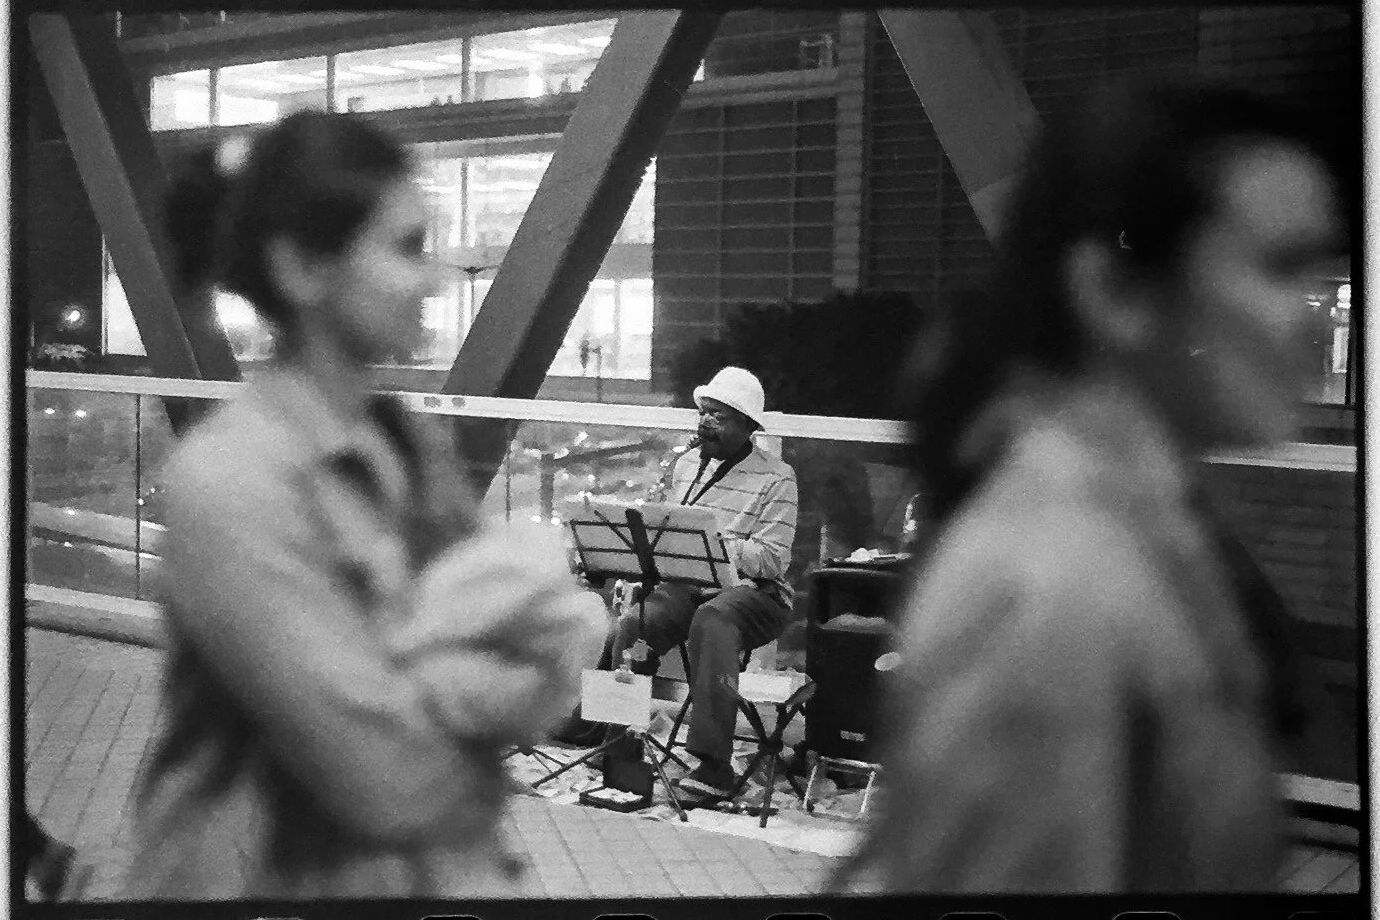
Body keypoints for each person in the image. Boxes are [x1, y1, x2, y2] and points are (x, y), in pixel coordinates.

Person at [834, 78, 1343, 893]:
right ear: (1114, 292)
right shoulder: (1049, 592)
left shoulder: (1125, 529)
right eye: (1281, 267)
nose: (1316, 315)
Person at [123, 111, 604, 899]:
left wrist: (433, 683)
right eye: (407, 247)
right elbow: (389, 778)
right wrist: (474, 705)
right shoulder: (231, 479)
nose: (436, 277)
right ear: (303, 269)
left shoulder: (412, 446)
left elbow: (550, 655)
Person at [561, 367, 799, 800]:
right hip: (689, 583)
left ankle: (713, 766)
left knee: (713, 620)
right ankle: (621, 745)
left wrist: (717, 540)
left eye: (720, 417)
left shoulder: (778, 477)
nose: (706, 423)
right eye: (704, 413)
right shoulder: (686, 464)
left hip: (754, 594)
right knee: (636, 624)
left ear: (748, 426)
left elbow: (773, 558)